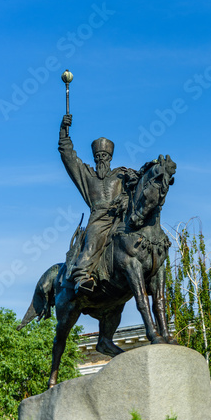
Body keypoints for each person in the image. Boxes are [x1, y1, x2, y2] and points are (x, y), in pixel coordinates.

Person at [58, 114, 138, 295]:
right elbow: (67, 155)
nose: (101, 159)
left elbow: (140, 187)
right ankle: (81, 276)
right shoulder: (86, 175)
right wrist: (64, 130)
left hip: (120, 218)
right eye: (98, 156)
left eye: (105, 156)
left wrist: (133, 182)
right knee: (93, 240)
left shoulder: (121, 174)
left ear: (110, 158)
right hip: (99, 219)